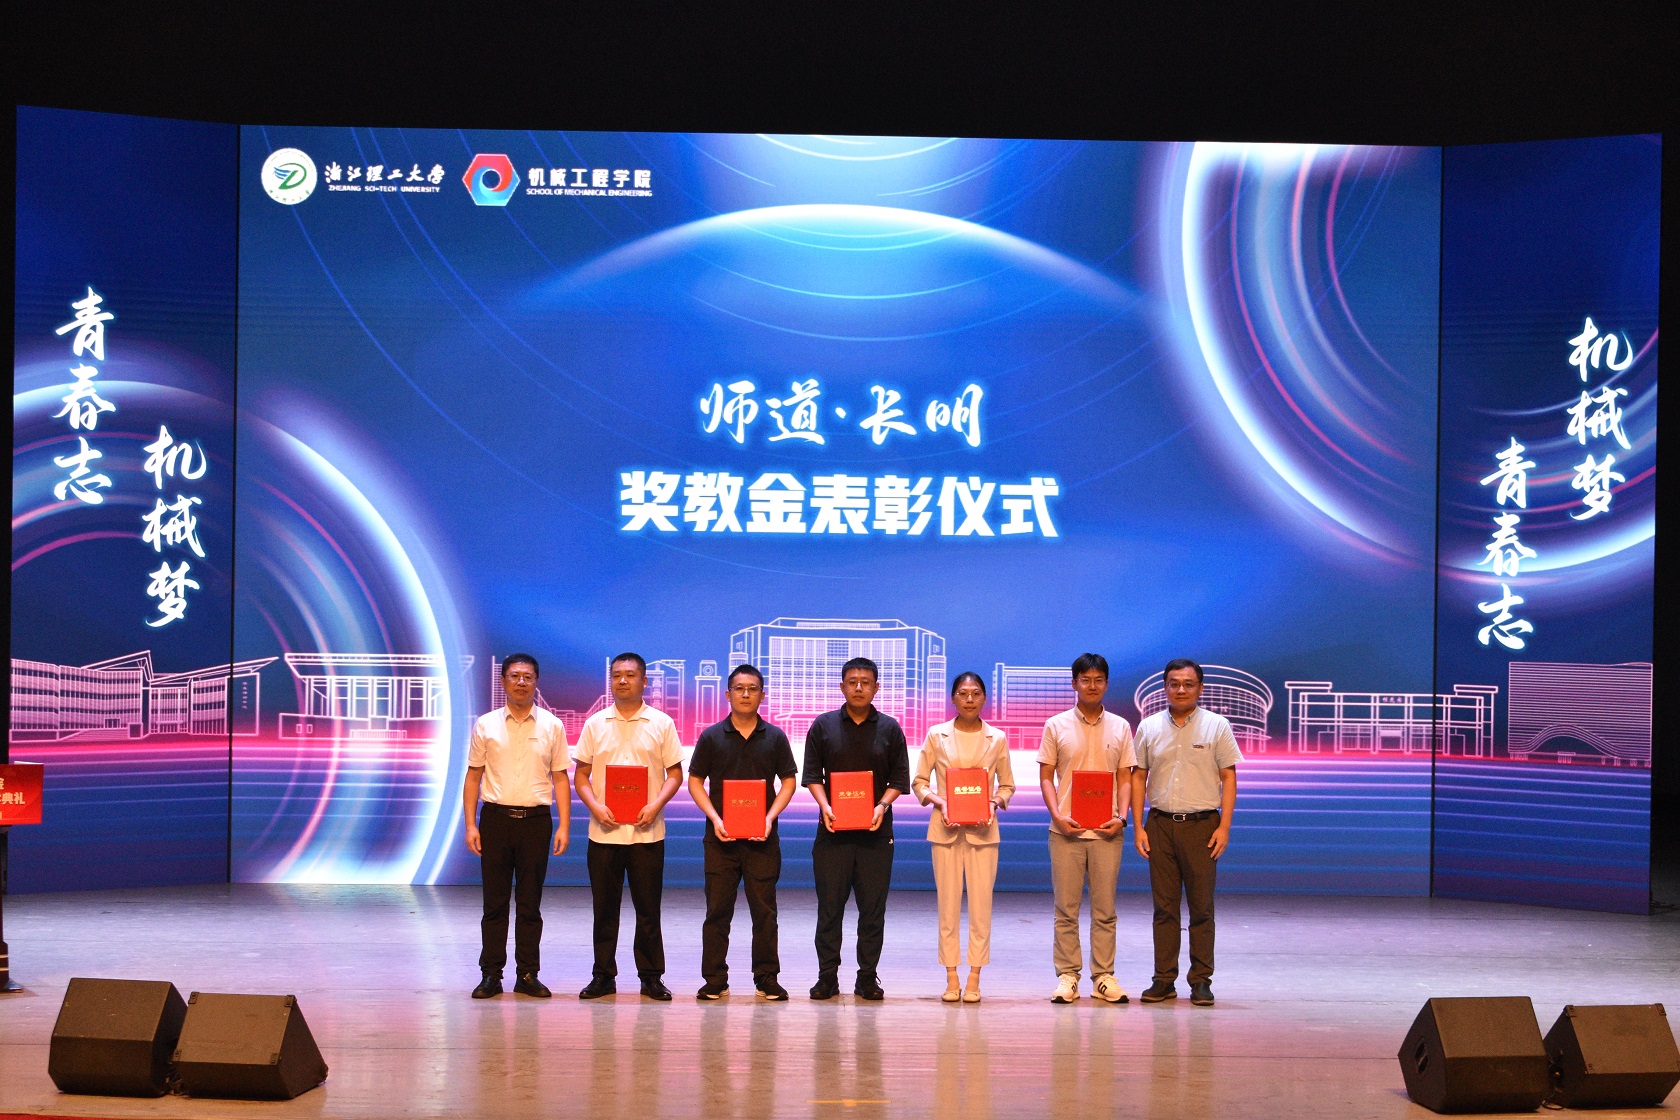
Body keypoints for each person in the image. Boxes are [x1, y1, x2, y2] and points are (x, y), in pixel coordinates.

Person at [573, 652, 685, 1001]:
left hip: (647, 832)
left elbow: (675, 774)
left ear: (644, 681)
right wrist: (595, 806)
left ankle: (651, 977)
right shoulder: (595, 723)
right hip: (603, 832)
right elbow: (581, 775)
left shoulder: (661, 723)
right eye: (617, 675)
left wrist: (656, 805)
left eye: (631, 675)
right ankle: (603, 976)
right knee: (604, 910)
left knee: (648, 910)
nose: (623, 680)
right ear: (611, 680)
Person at [1131, 657, 1242, 1007]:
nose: (1181, 690)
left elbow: (1229, 777)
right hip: (1160, 825)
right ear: (1165, 687)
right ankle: (1163, 980)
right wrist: (1138, 827)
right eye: (1174, 683)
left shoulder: (1217, 726)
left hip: (1202, 827)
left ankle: (1201, 981)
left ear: (1200, 688)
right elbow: (1138, 776)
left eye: (1188, 684)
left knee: (1201, 908)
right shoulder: (1148, 727)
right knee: (1164, 909)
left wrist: (1224, 827)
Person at [687, 664, 799, 1002]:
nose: (746, 694)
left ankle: (766, 978)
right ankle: (714, 979)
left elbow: (789, 781)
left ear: (763, 695)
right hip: (720, 839)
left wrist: (769, 817)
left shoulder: (775, 737)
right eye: (739, 688)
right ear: (728, 694)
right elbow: (695, 781)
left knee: (765, 912)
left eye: (752, 689)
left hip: (762, 839)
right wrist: (714, 817)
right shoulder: (711, 736)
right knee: (717, 912)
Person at [802, 656, 911, 1001]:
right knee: (829, 909)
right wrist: (825, 806)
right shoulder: (823, 726)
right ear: (842, 687)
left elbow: (899, 779)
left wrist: (882, 805)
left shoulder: (890, 728)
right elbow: (812, 775)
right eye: (852, 682)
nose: (859, 688)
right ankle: (827, 977)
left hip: (875, 835)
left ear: (876, 687)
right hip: (832, 833)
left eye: (865, 682)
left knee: (872, 911)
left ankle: (867, 978)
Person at [463, 653, 571, 999]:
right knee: (494, 904)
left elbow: (560, 778)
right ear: (503, 681)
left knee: (529, 904)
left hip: (536, 823)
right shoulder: (486, 725)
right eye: (514, 676)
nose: (521, 682)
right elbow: (473, 776)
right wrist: (470, 825)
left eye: (527, 677)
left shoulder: (552, 725)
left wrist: (564, 826)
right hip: (495, 821)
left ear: (536, 682)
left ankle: (527, 974)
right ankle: (491, 975)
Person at [1037, 652, 1135, 1005]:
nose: (1092, 686)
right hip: (1067, 831)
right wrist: (1057, 815)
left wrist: (1121, 817)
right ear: (1074, 683)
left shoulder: (1121, 727)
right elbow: (1046, 776)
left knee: (1105, 910)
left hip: (1108, 831)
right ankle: (1068, 976)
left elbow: (1126, 777)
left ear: (1106, 684)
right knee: (1066, 909)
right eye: (1085, 680)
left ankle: (1103, 976)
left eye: (1098, 680)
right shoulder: (1056, 725)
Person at [913, 671, 1015, 1003]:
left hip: (983, 832)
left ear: (984, 698)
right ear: (953, 698)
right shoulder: (936, 735)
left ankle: (974, 976)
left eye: (975, 693)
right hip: (945, 830)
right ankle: (951, 976)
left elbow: (1007, 785)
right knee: (948, 907)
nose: (969, 699)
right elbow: (919, 783)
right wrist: (941, 802)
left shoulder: (997, 738)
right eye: (963, 693)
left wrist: (993, 802)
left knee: (981, 907)